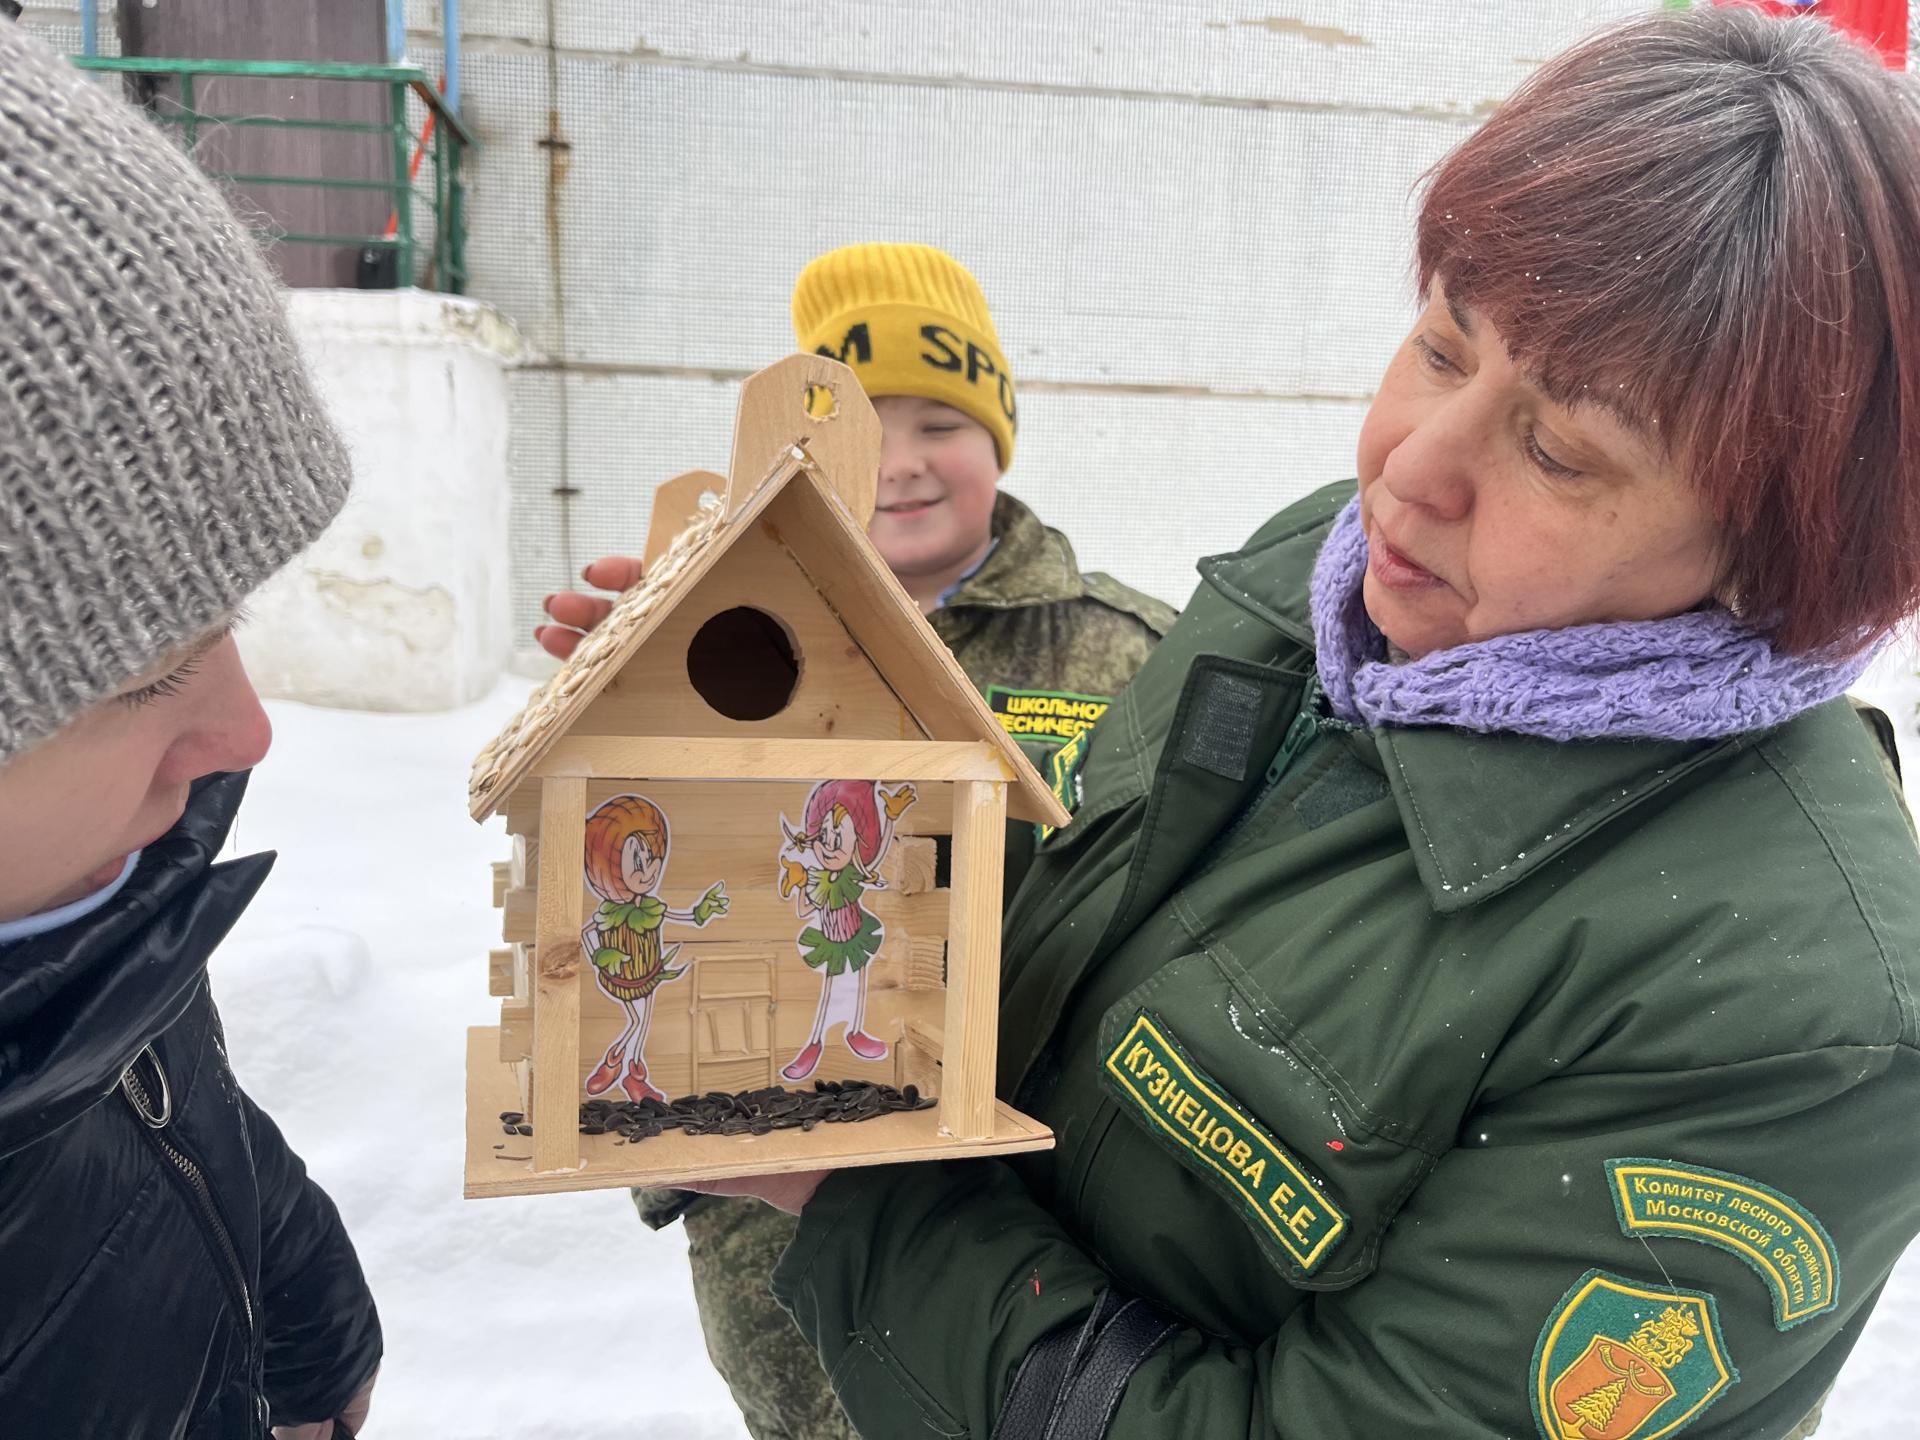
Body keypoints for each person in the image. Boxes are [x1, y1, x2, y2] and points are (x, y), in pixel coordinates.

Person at [669, 12, 1920, 1440]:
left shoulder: (1784, 1015)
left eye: (1561, 449)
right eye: (1443, 347)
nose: (1406, 472)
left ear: (1780, 552)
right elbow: (1069, 919)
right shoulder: (1323, 592)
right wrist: (780, 749)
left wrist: (860, 1202)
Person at [538, 243, 1177, 1440]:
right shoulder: (718, 632)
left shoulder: (1135, 653)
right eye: (867, 426)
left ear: (1001, 435)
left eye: (943, 420)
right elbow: (652, 866)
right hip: (784, 1195)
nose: (903, 463)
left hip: (1054, 1173)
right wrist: (637, 699)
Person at [0, 25, 380, 1439]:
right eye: (148, 674)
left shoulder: (88, 902)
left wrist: (308, 1321)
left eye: (226, 621)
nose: (247, 730)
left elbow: (167, 1101)